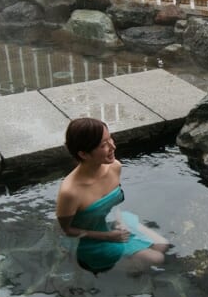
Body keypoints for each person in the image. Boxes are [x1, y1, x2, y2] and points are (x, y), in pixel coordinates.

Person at [55, 117, 169, 273]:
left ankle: (133, 263)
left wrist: (119, 220)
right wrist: (108, 236)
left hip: (114, 223)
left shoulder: (115, 167)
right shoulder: (70, 192)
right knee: (157, 258)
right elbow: (67, 230)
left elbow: (113, 204)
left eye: (110, 139)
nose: (113, 147)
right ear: (84, 154)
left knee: (162, 245)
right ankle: (126, 269)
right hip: (91, 239)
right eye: (103, 145)